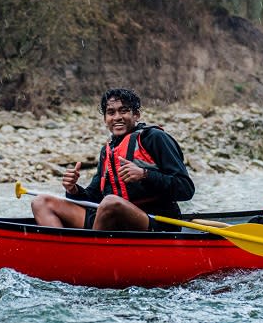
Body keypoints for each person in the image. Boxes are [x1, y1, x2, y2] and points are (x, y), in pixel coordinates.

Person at [31, 88, 196, 231]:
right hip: (111, 221)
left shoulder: (155, 138)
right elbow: (93, 199)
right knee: (41, 202)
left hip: (153, 221)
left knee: (111, 203)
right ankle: (64, 255)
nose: (117, 117)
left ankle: (92, 258)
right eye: (111, 112)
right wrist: (74, 190)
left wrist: (145, 174)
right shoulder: (108, 150)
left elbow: (185, 189)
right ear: (105, 119)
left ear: (136, 115)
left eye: (123, 111)